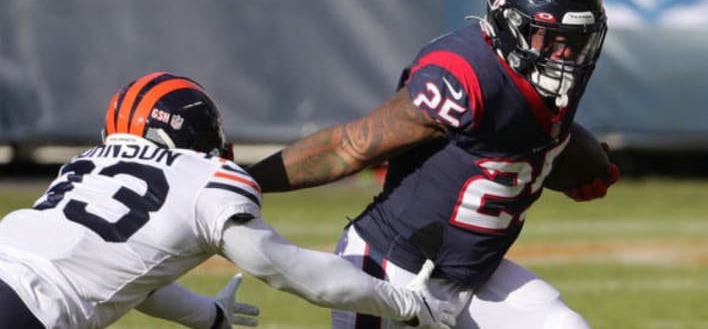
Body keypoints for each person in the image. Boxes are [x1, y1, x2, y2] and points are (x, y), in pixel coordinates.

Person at [247, 0, 621, 329]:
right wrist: (245, 182)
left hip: (474, 278)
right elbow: (351, 146)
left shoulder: (555, 77)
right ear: (511, 25)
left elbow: (527, 132)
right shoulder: (465, 77)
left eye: (578, 40)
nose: (566, 56)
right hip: (391, 271)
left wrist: (570, 159)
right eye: (552, 38)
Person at [0, 72, 458, 329]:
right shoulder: (202, 179)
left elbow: (137, 280)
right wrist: (403, 302)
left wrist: (209, 316)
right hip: (30, 310)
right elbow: (297, 273)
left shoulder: (88, 164)